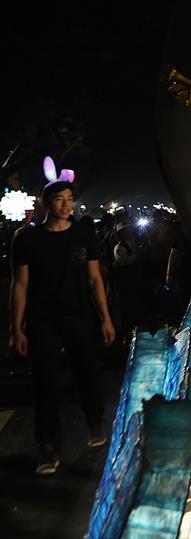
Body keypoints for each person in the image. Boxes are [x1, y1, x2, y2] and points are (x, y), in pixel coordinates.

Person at [10, 180, 116, 475]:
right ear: (46, 203)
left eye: (70, 198)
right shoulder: (27, 238)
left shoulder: (84, 234)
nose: (66, 204)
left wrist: (106, 317)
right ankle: (47, 446)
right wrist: (16, 327)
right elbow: (20, 285)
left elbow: (95, 279)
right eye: (59, 199)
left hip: (79, 316)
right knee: (45, 383)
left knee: (87, 373)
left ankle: (95, 422)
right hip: (42, 319)